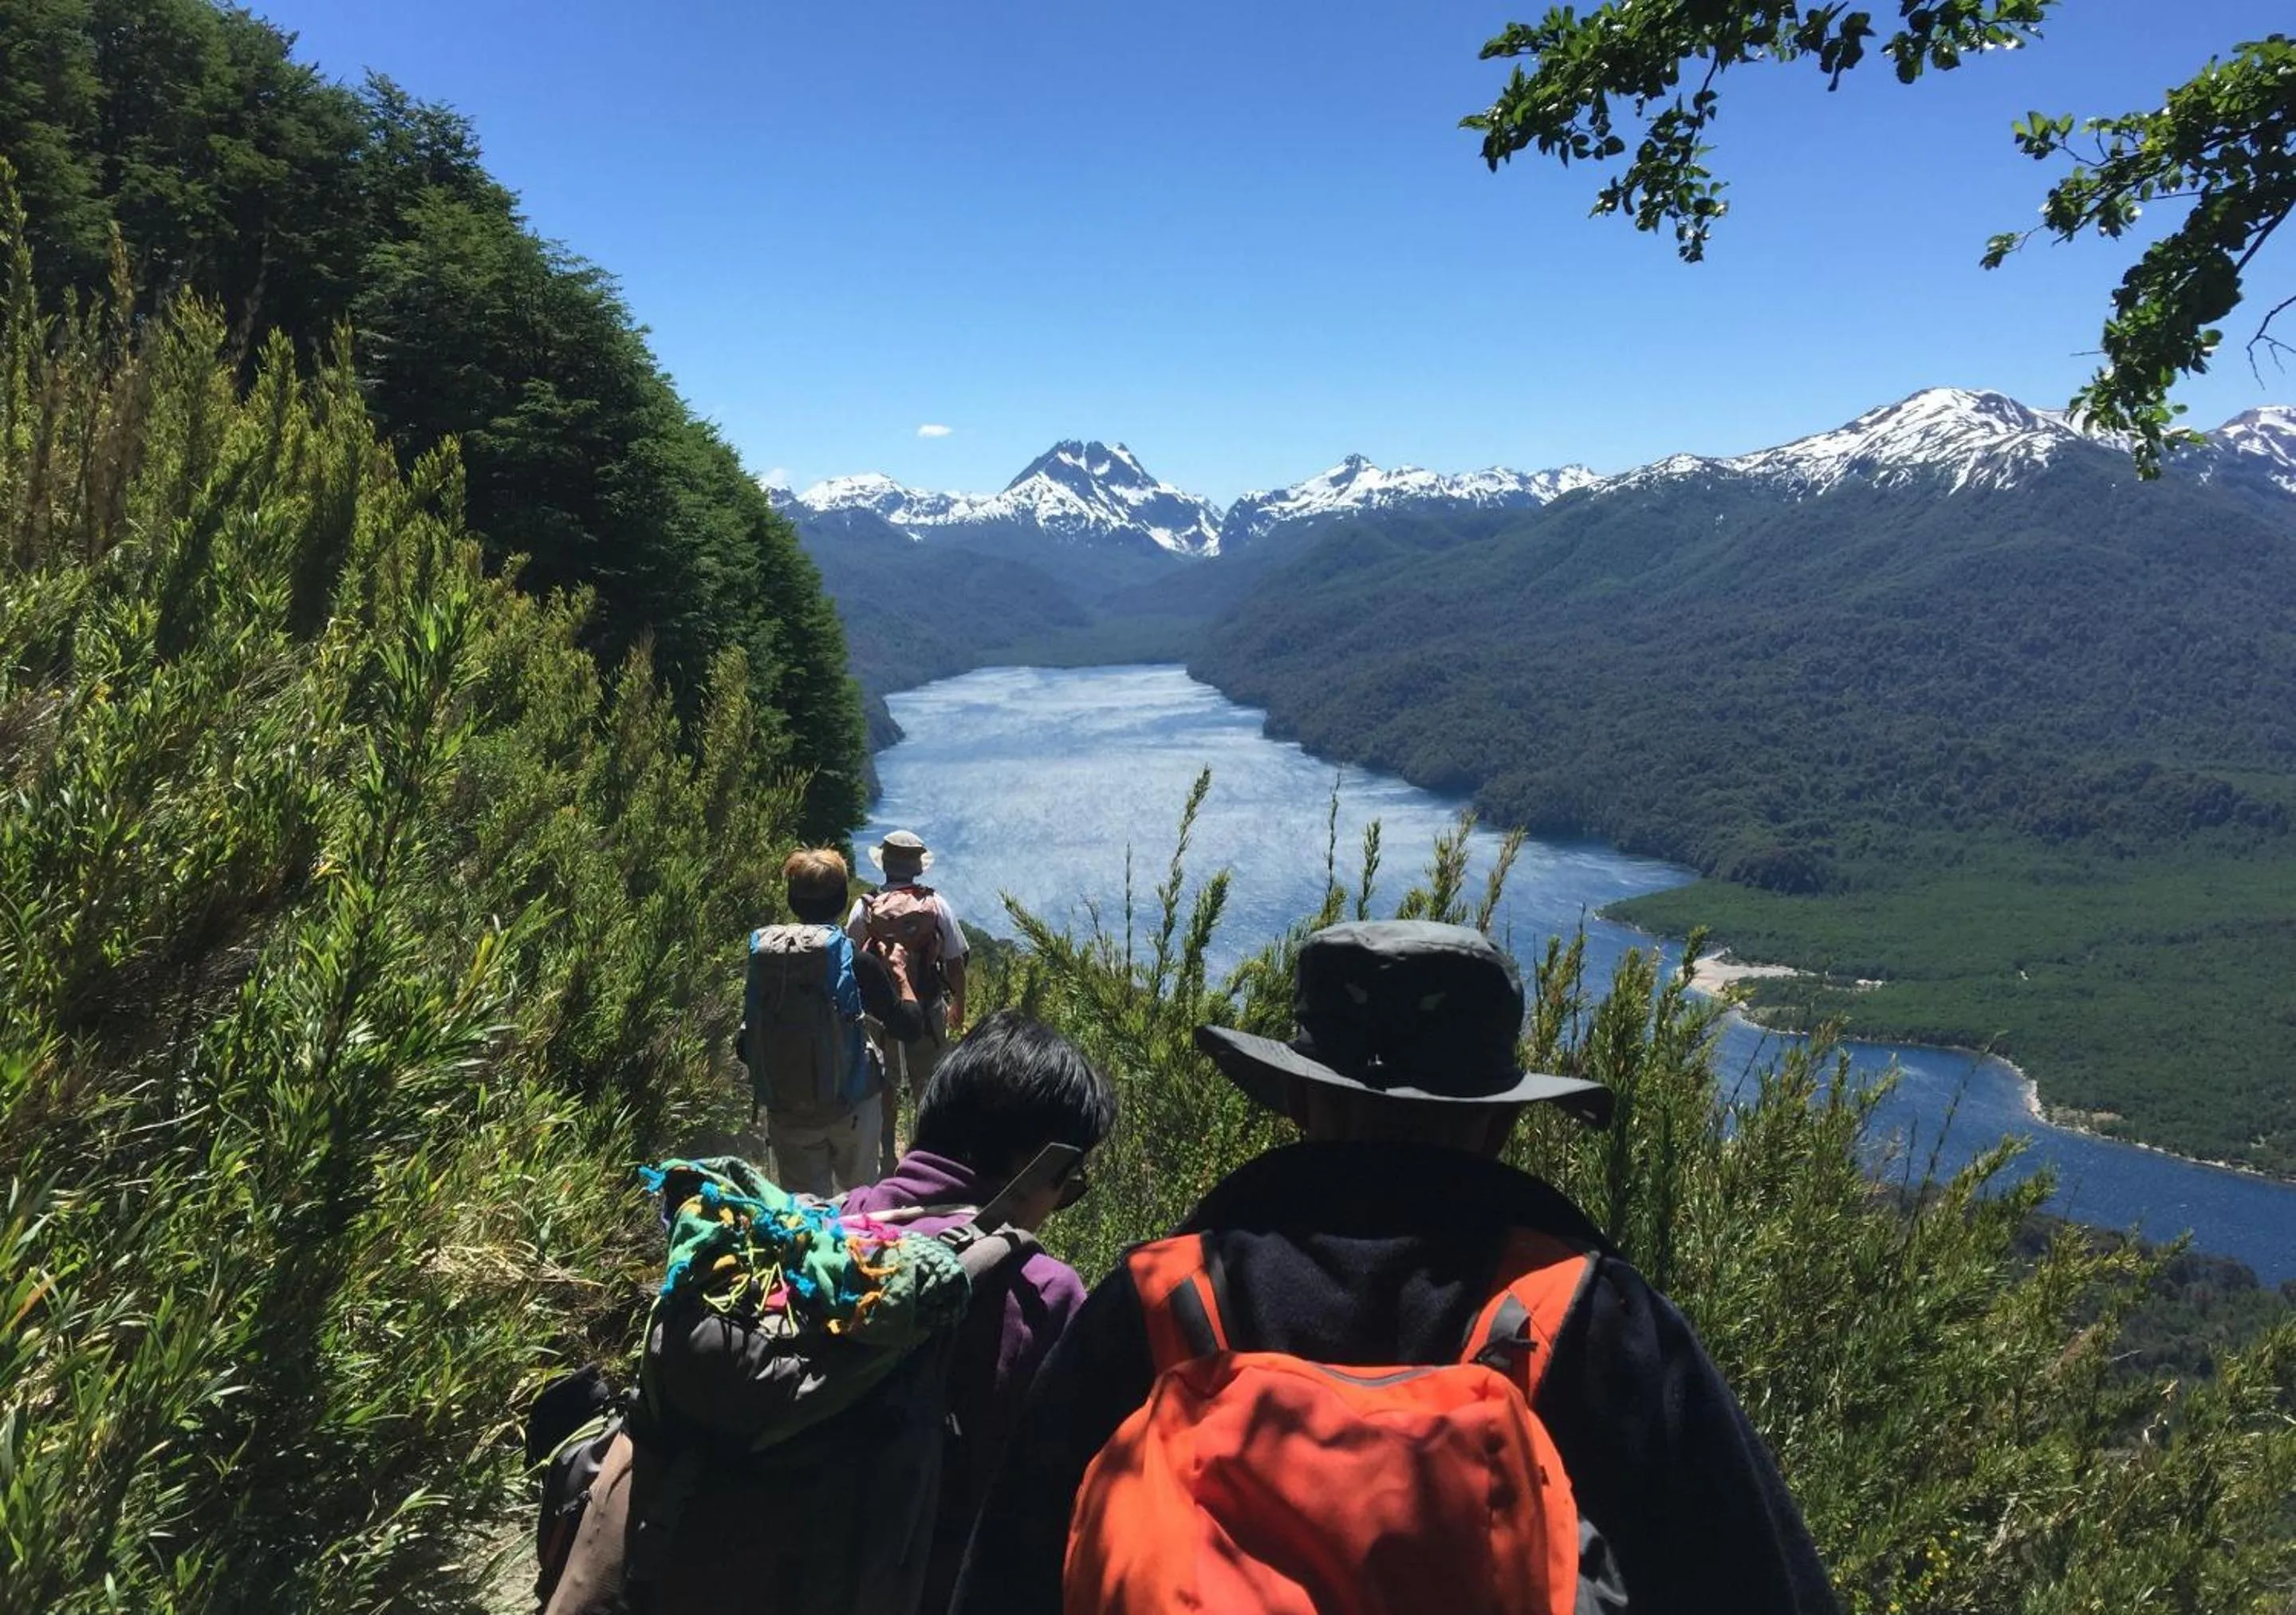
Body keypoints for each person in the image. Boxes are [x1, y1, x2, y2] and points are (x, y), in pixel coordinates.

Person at [951, 919, 1841, 1615]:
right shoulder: (1594, 1322)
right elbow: (1759, 1587)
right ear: (1500, 1122)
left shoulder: (1156, 1303)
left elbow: (1007, 1582)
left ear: (1297, 1100)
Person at [840, 1010, 1114, 1613]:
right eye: (1068, 1188)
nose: (1059, 1203)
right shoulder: (1045, 1294)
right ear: (1039, 1166)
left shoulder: (831, 1222)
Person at [747, 847, 924, 1196]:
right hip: (850, 1105)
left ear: (792, 900)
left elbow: (747, 1038)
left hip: (786, 1107)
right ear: (843, 900)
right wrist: (901, 975)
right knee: (857, 1203)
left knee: (805, 1209)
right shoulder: (854, 962)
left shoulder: (766, 957)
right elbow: (908, 1026)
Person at [848, 829, 969, 1164]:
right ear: (917, 868)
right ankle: (927, 1157)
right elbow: (955, 963)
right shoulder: (935, 904)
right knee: (928, 1085)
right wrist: (958, 1004)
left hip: (880, 1014)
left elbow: (852, 959)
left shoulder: (865, 907)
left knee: (883, 1083)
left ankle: (887, 1154)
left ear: (884, 865)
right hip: (928, 1011)